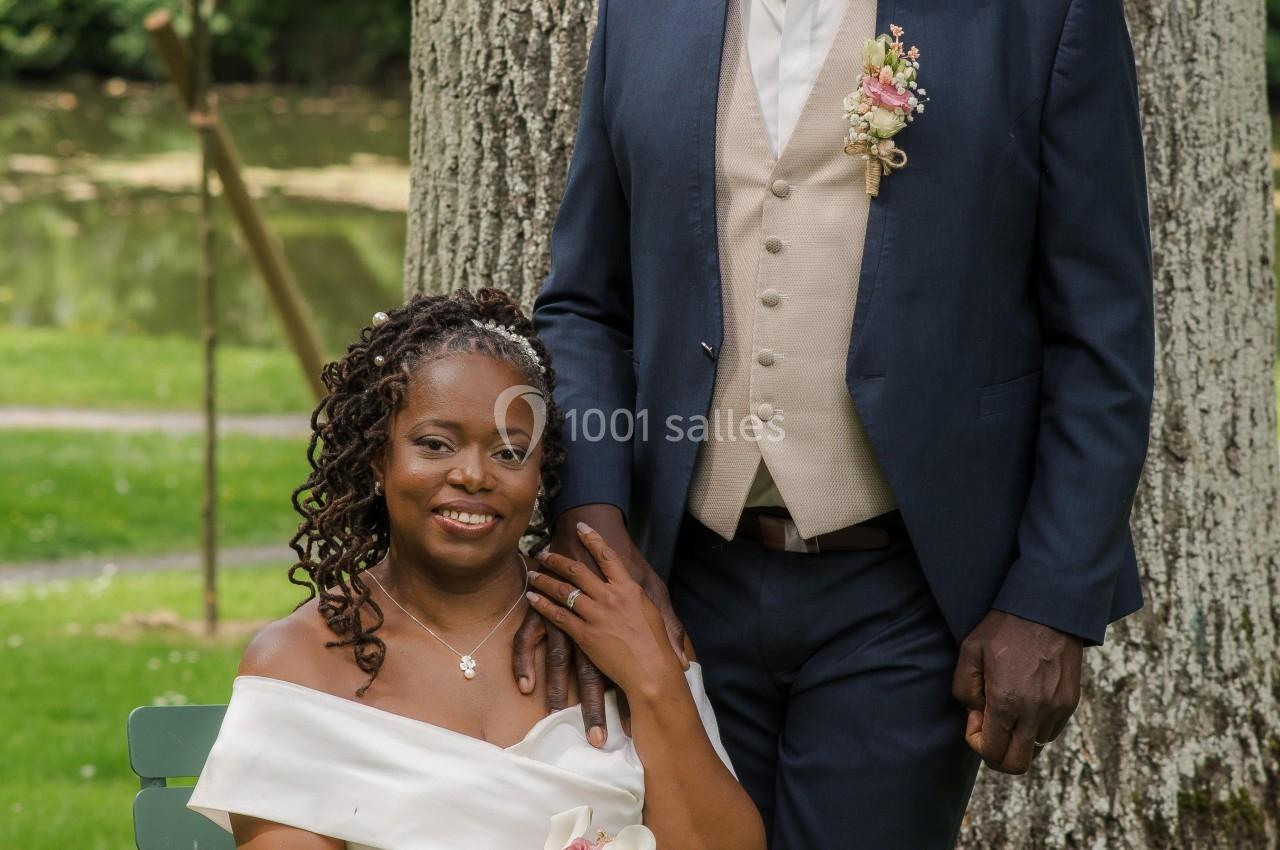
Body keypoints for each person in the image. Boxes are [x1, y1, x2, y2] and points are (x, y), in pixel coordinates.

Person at [524, 0, 1155, 847]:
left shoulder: (1044, 17)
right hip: (676, 587)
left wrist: (1052, 599)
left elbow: (1099, 334)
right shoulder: (642, 13)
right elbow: (584, 307)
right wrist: (590, 522)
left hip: (909, 602)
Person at [186, 289, 766, 850]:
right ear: (377, 463)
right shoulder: (299, 663)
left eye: (510, 452)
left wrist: (653, 681)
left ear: (542, 473)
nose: (474, 475)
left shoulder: (619, 629)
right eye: (436, 444)